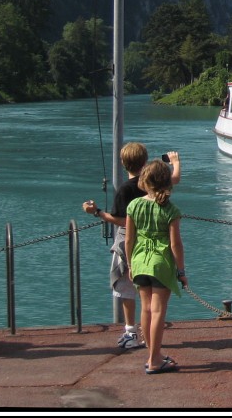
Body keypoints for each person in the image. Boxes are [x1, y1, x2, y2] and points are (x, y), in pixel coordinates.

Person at [82, 144, 181, 351]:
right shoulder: (160, 185)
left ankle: (130, 331)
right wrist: (175, 163)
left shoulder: (126, 190)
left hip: (132, 244)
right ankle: (151, 343)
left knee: (126, 289)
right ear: (145, 161)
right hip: (158, 253)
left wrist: (96, 211)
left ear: (122, 162)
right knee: (155, 306)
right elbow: (175, 179)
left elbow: (119, 220)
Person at [126, 160, 187, 375]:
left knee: (145, 309)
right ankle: (154, 359)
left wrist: (131, 264)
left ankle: (153, 355)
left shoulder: (133, 206)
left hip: (140, 260)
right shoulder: (171, 209)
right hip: (160, 262)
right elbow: (175, 244)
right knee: (158, 310)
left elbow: (129, 240)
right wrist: (181, 271)